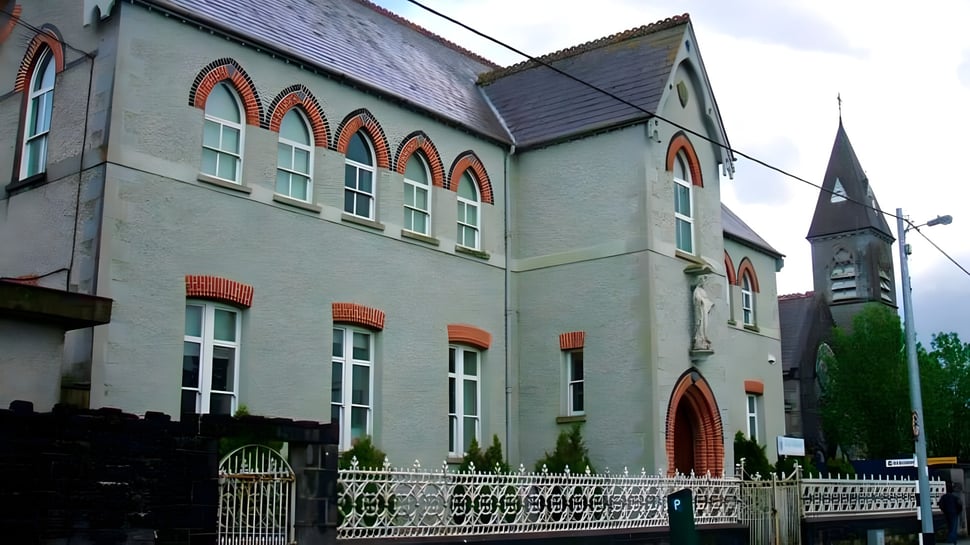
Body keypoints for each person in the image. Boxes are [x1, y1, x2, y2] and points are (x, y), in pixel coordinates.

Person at [692, 275, 714, 351]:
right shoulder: (697, 290)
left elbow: (706, 300)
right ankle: (699, 340)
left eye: (705, 281)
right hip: (700, 311)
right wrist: (701, 301)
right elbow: (697, 299)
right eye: (703, 280)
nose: (704, 282)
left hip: (704, 311)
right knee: (700, 325)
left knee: (705, 325)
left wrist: (709, 303)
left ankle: (704, 339)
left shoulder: (703, 291)